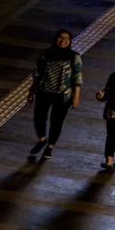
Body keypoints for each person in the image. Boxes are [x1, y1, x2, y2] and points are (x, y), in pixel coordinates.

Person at [27, 29, 82, 160]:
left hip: (63, 95)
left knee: (56, 121)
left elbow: (77, 77)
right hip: (44, 91)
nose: (63, 41)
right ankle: (42, 138)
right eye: (60, 38)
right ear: (55, 39)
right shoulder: (46, 53)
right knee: (39, 117)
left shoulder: (74, 56)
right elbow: (37, 73)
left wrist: (76, 96)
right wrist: (31, 90)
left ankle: (50, 147)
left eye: (67, 38)